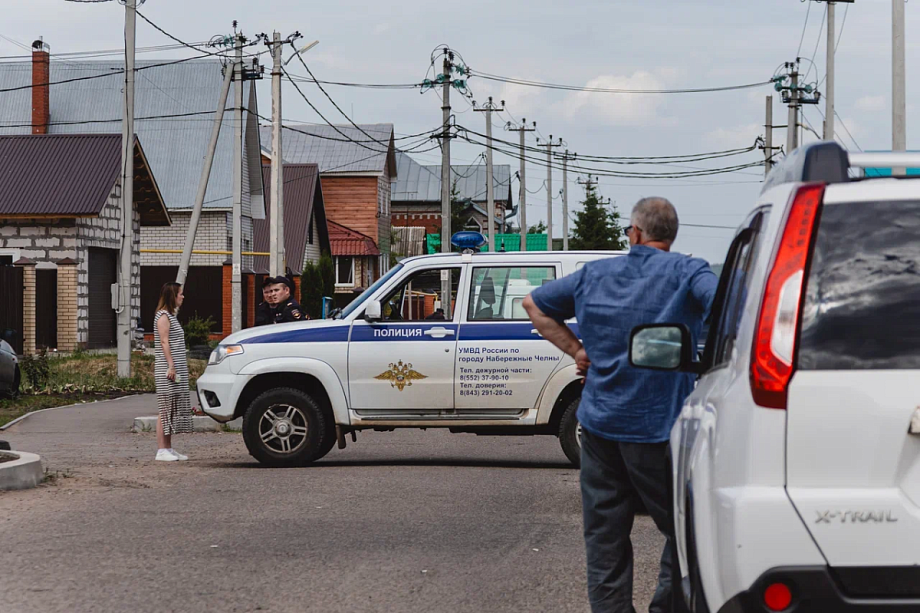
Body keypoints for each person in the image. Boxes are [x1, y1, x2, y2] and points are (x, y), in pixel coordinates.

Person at [524, 197, 717, 613]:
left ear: (635, 234)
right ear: (671, 235)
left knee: (605, 537)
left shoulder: (595, 274)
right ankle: (667, 606)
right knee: (689, 529)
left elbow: (534, 305)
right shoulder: (689, 271)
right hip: (659, 428)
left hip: (598, 425)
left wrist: (576, 350)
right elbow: (726, 308)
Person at [153, 282, 194, 462]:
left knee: (171, 409)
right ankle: (161, 449)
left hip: (175, 368)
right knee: (165, 408)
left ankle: (168, 448)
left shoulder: (171, 316)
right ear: (172, 296)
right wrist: (171, 365)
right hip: (167, 369)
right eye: (180, 294)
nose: (182, 297)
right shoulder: (163, 316)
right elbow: (164, 342)